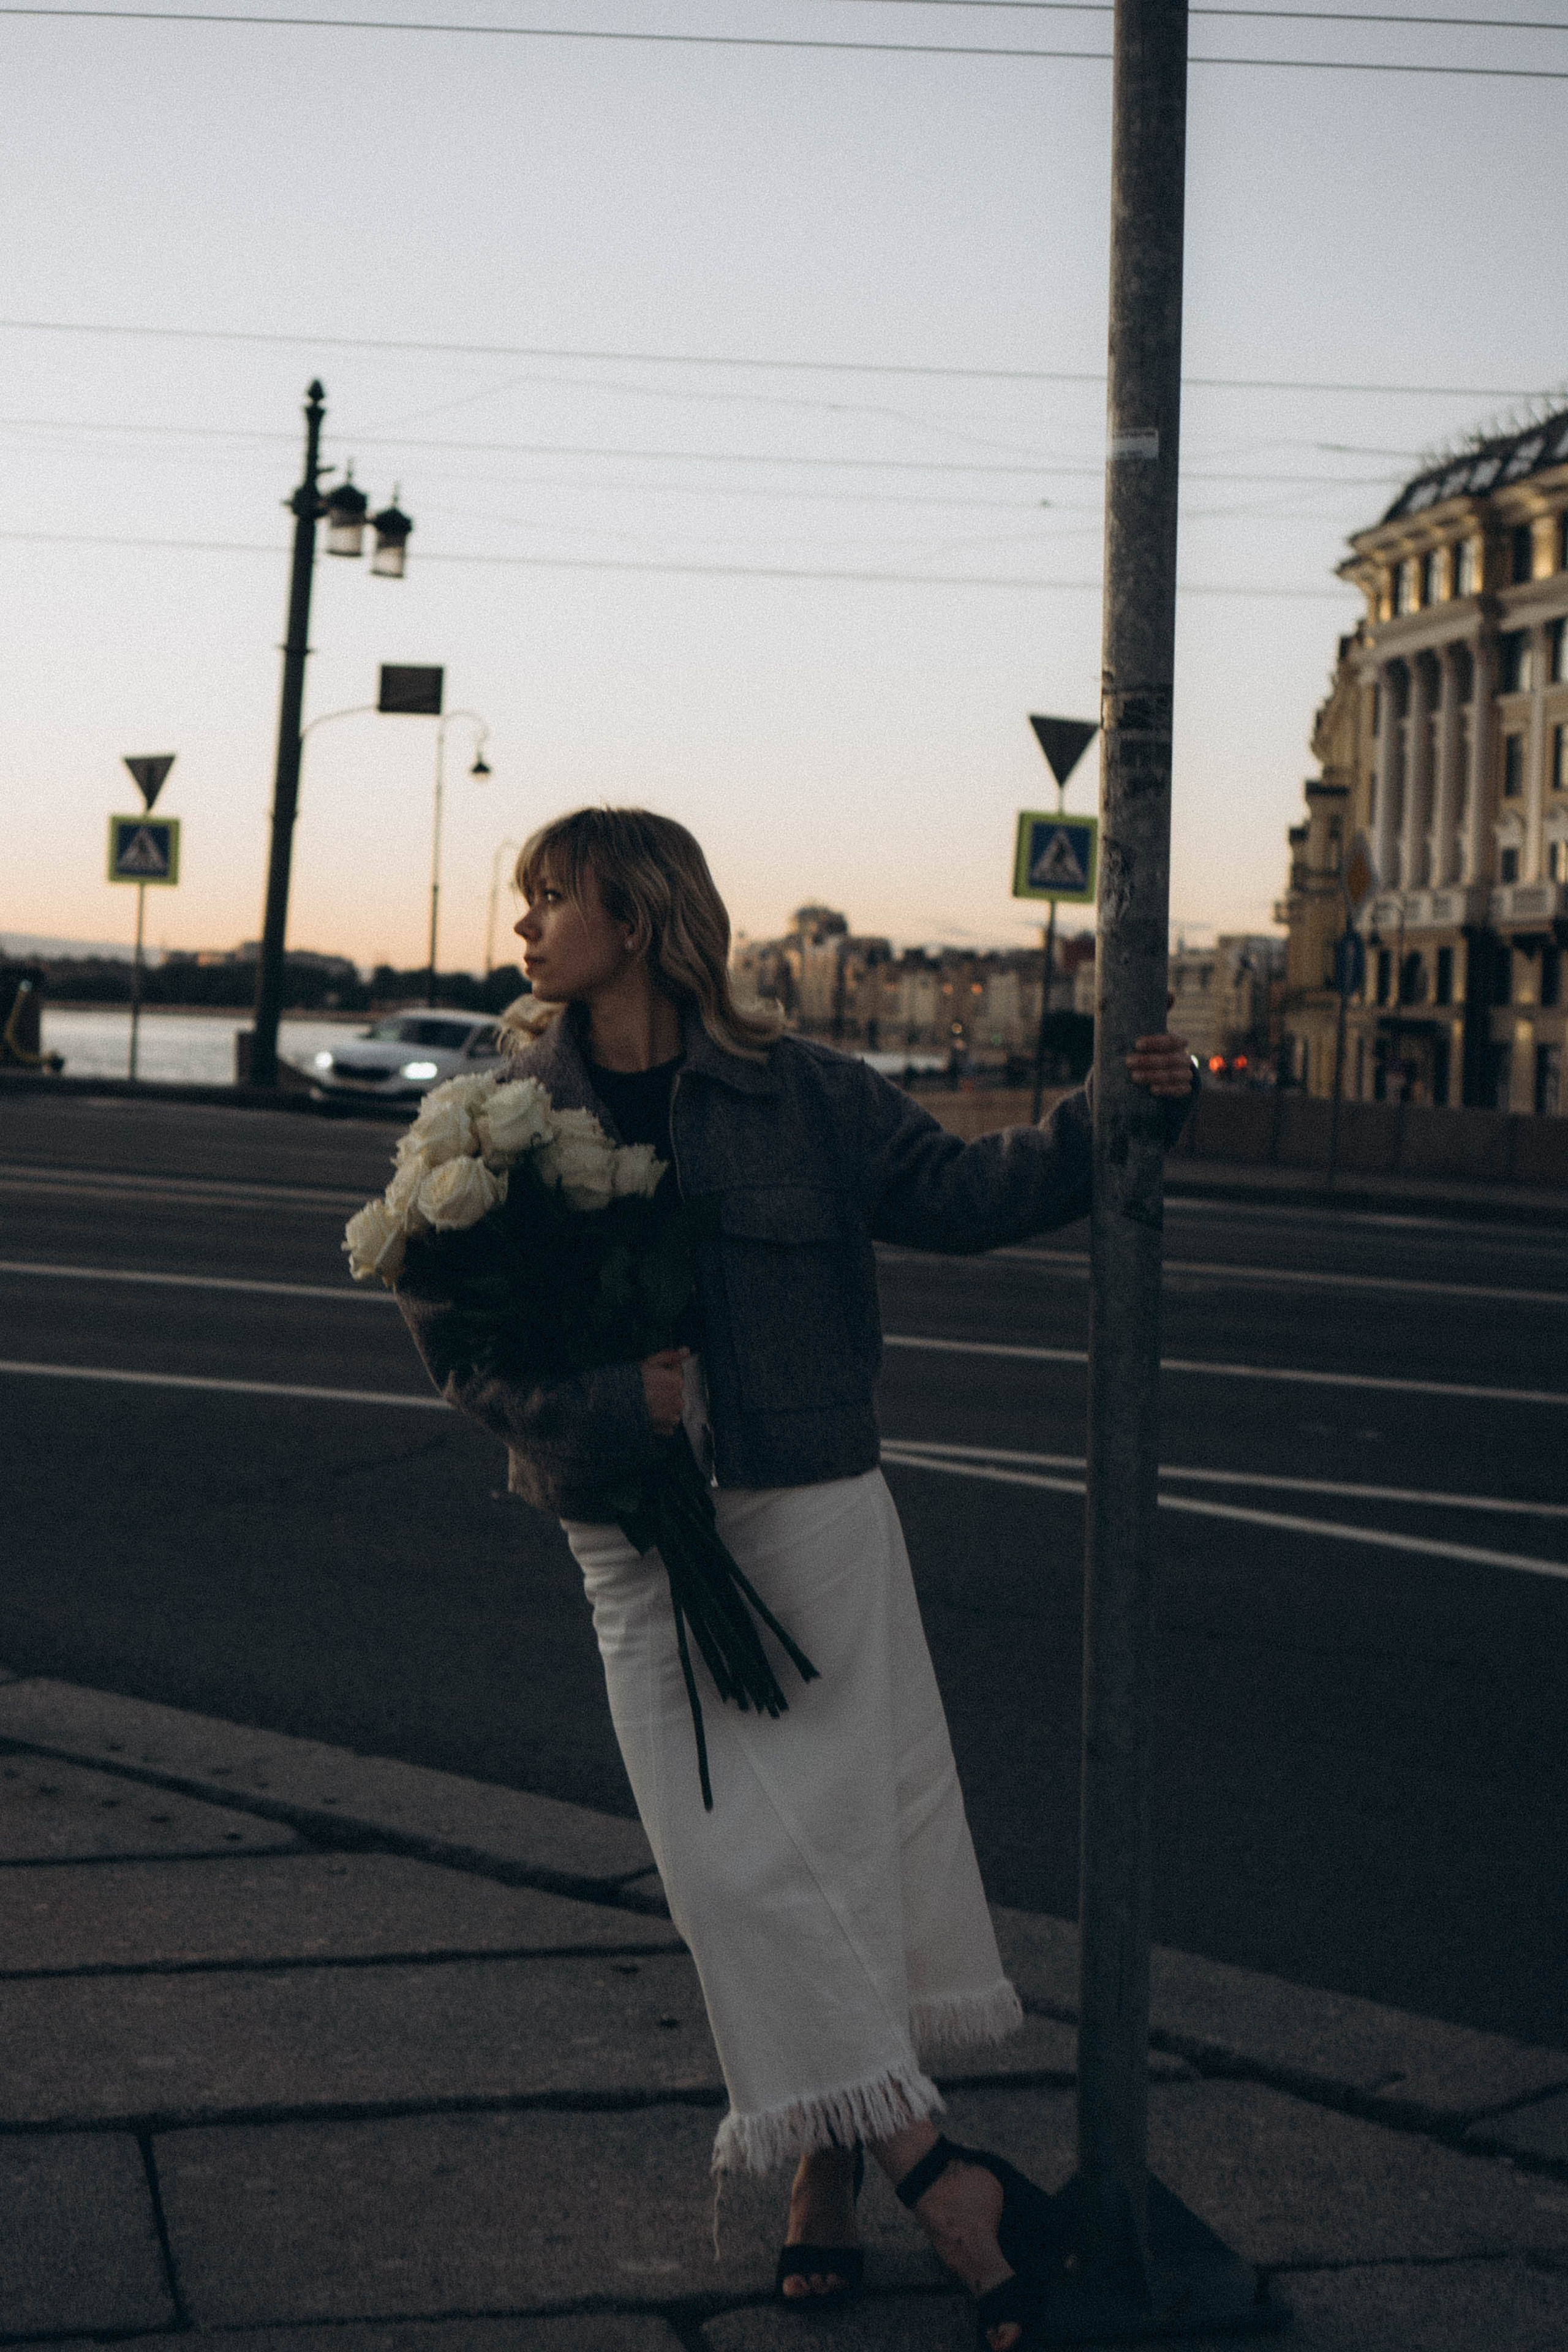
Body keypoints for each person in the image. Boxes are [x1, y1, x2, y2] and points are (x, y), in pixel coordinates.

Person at [396, 807, 1195, 2351]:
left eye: (550, 897)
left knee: (833, 1862)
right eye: (523, 902)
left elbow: (970, 1197)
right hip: (629, 1532)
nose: (524, 927)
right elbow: (461, 1346)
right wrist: (595, 1412)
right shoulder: (490, 1111)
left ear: (635, 916)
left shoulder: (806, 1096)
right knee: (727, 1872)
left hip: (812, 1514)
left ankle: (823, 2181)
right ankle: (937, 2174)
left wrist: (1119, 1112)